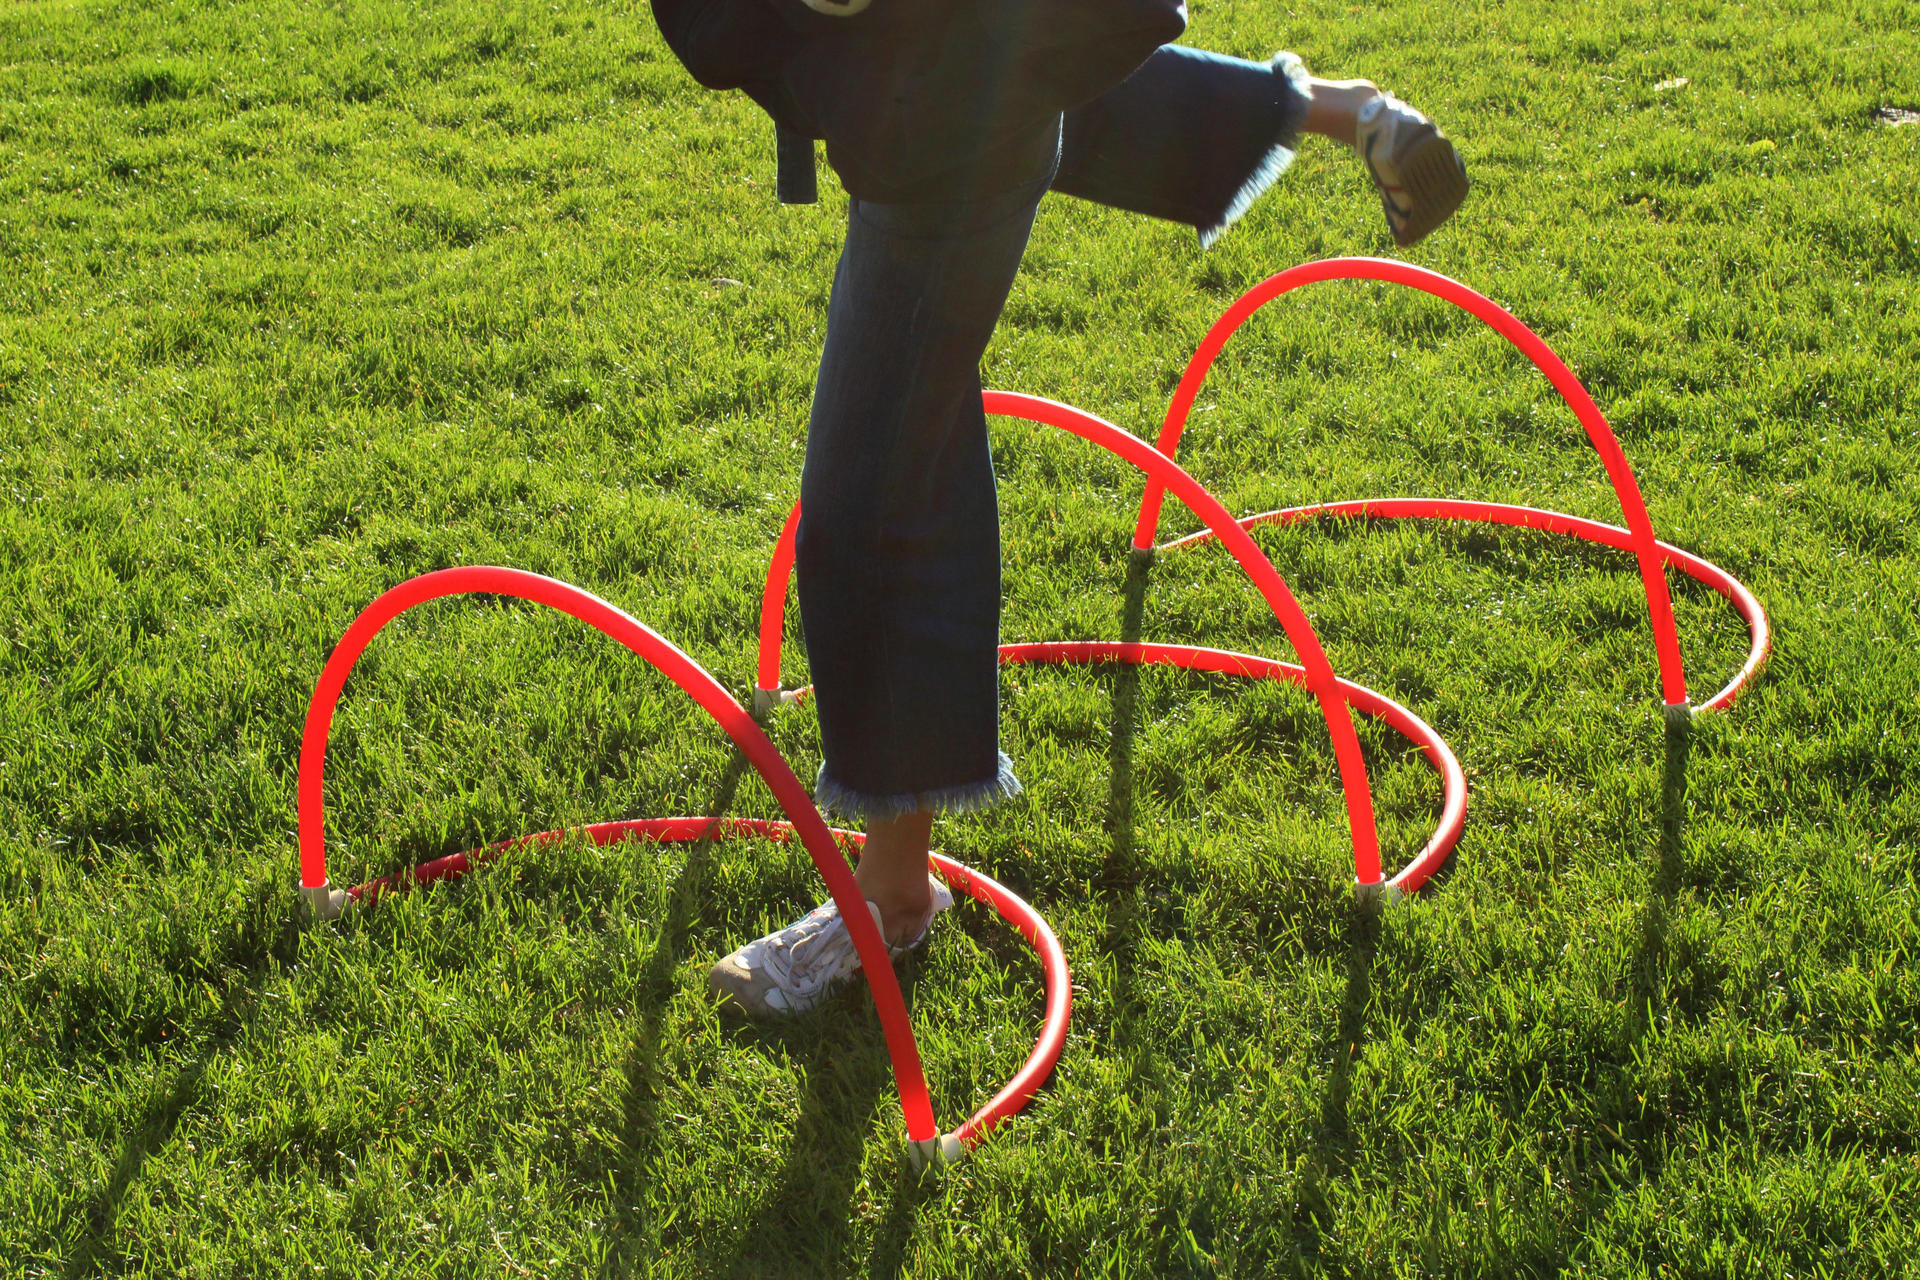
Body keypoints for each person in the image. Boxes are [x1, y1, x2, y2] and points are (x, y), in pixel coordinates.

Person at [653, 0, 1468, 1017]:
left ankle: (896, 896)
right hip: (951, 75)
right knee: (1023, 66)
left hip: (936, 139)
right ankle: (1338, 110)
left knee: (879, 492)